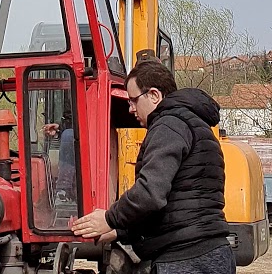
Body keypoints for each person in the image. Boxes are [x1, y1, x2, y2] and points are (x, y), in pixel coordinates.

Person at [70, 60, 233, 274]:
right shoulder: (194, 124)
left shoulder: (168, 124)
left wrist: (109, 218)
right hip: (210, 253)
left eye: (134, 100)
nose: (130, 109)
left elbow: (150, 194)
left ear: (154, 95)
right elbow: (175, 206)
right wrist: (120, 232)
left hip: (185, 259)